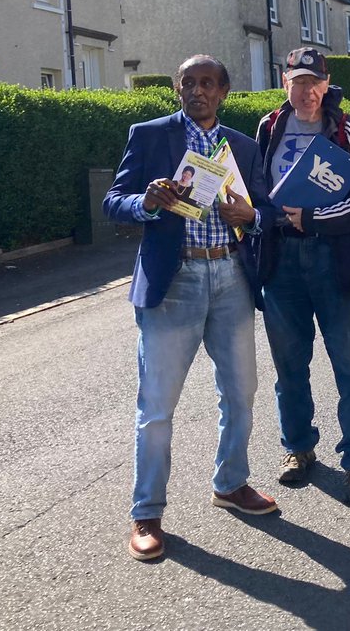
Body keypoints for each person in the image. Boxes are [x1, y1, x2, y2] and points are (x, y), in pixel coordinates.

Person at [104, 55, 277, 562]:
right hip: (173, 277)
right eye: (189, 83)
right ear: (177, 88)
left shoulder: (242, 146)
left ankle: (231, 483)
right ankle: (147, 513)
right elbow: (114, 200)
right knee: (157, 406)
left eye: (208, 83)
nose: (197, 91)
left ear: (223, 91)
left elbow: (265, 209)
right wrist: (147, 202)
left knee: (242, 392)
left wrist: (253, 215)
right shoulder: (150, 134)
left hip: (230, 277)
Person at [254, 47, 350, 501]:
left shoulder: (344, 128)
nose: (307, 91)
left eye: (315, 82)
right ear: (285, 82)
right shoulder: (269, 125)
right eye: (299, 82)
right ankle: (298, 448)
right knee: (289, 366)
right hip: (281, 261)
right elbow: (258, 187)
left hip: (334, 257)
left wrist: (313, 219)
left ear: (326, 85)